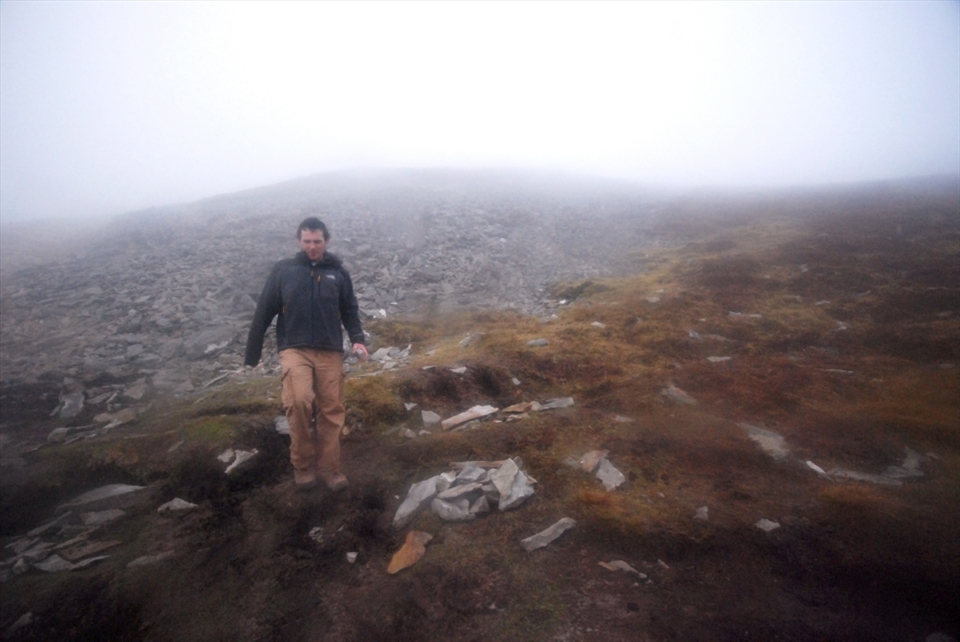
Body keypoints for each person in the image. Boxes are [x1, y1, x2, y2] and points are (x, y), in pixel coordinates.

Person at [244, 216, 368, 491]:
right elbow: (264, 310)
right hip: (294, 348)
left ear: (326, 241)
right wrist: (251, 354)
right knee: (299, 401)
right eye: (307, 241)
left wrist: (358, 340)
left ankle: (330, 469)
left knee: (331, 410)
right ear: (299, 241)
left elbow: (349, 310)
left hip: (329, 350)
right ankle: (303, 466)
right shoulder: (284, 271)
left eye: (317, 241)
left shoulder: (339, 272)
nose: (312, 246)